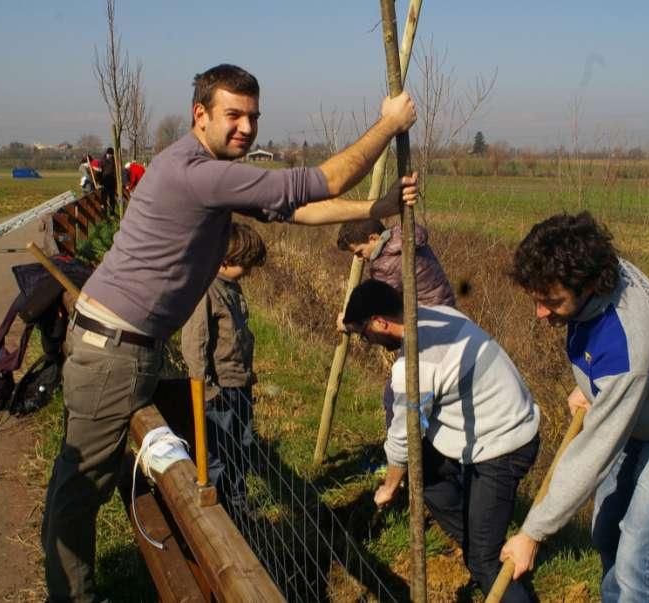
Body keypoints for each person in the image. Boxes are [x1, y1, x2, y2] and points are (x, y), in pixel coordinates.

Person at [41, 63, 417, 602]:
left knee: (77, 480)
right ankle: (73, 596)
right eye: (232, 115)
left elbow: (298, 207)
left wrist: (375, 209)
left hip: (117, 342)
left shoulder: (202, 170)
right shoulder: (201, 174)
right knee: (82, 488)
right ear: (201, 114)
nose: (245, 127)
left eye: (253, 117)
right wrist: (388, 124)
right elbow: (324, 180)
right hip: (115, 351)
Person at [501, 211, 649, 602]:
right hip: (639, 408)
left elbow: (592, 454)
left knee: (637, 557)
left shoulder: (627, 346)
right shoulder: (601, 268)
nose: (539, 313)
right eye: (536, 298)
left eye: (550, 302)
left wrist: (532, 532)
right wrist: (593, 386)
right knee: (605, 531)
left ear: (588, 286)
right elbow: (601, 356)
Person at [343, 279, 541, 602]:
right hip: (493, 420)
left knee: (484, 560)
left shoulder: (417, 364)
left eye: (366, 336)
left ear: (380, 323)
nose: (370, 343)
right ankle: (478, 536)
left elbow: (403, 438)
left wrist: (390, 486)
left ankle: (488, 563)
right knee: (428, 474)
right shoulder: (433, 314)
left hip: (504, 444)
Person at [335, 218, 456, 430]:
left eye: (359, 252)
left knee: (395, 399)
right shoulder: (405, 237)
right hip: (446, 319)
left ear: (373, 238)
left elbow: (379, 314)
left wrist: (348, 323)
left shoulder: (386, 264)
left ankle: (401, 458)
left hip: (424, 330)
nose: (360, 259)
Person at [180, 221, 265, 516]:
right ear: (226, 261)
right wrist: (204, 387)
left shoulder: (230, 286)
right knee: (217, 453)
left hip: (239, 382)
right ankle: (217, 515)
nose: (250, 272)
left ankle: (238, 503)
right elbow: (195, 343)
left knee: (241, 445)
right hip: (218, 391)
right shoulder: (206, 291)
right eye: (246, 265)